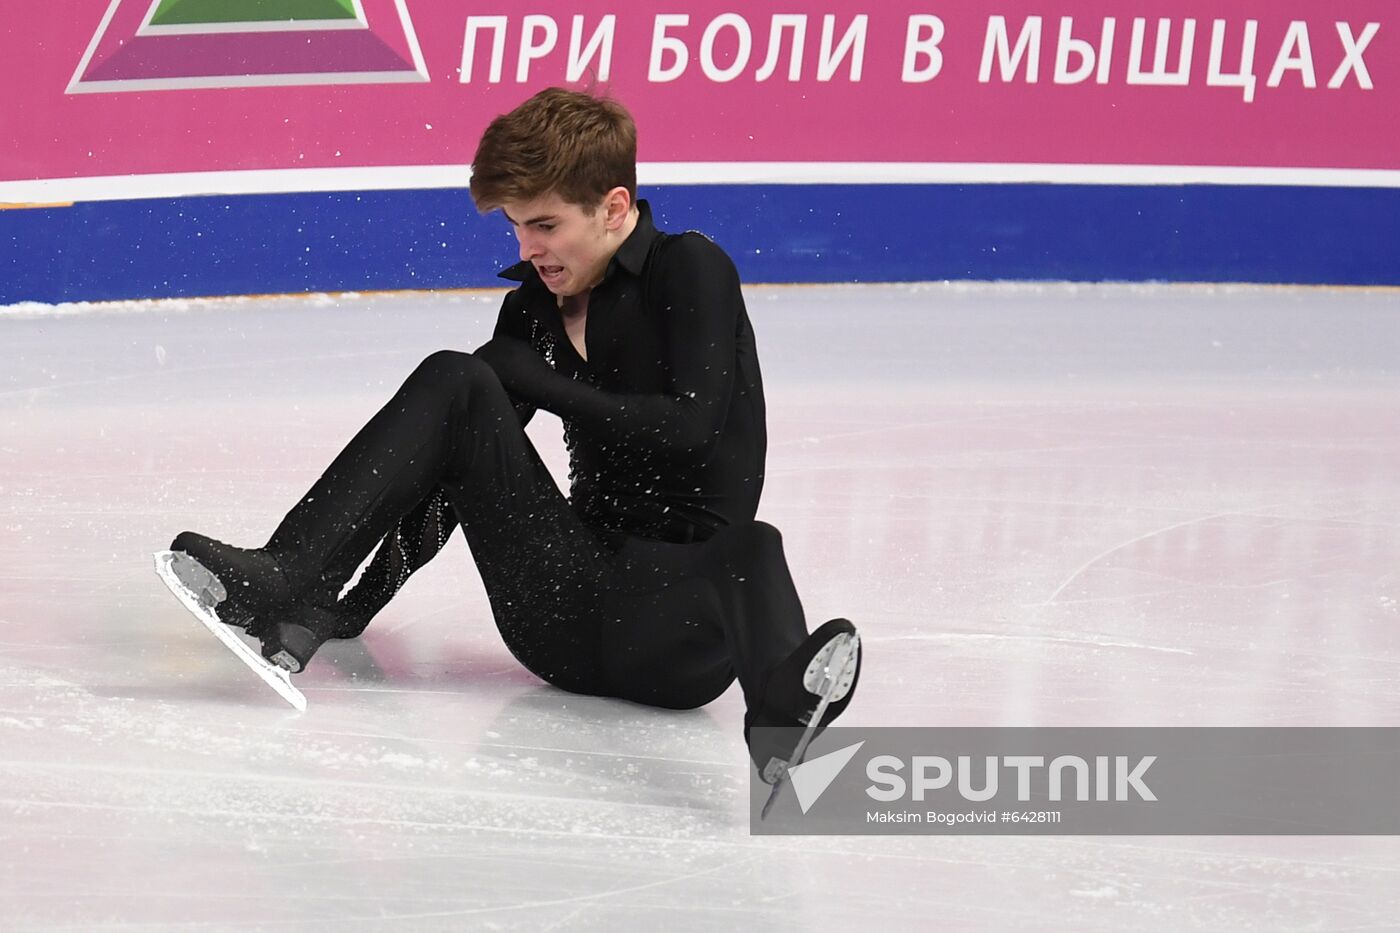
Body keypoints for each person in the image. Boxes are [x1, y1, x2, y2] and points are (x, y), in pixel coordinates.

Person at [168, 86, 861, 782]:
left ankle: (777, 717)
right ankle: (294, 579)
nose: (529, 248)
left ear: (614, 206)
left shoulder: (689, 269)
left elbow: (689, 426)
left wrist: (544, 385)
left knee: (752, 546)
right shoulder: (533, 310)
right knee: (455, 380)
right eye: (517, 227)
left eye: (546, 226)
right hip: (558, 612)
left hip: (672, 632)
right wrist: (351, 607)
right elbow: (458, 473)